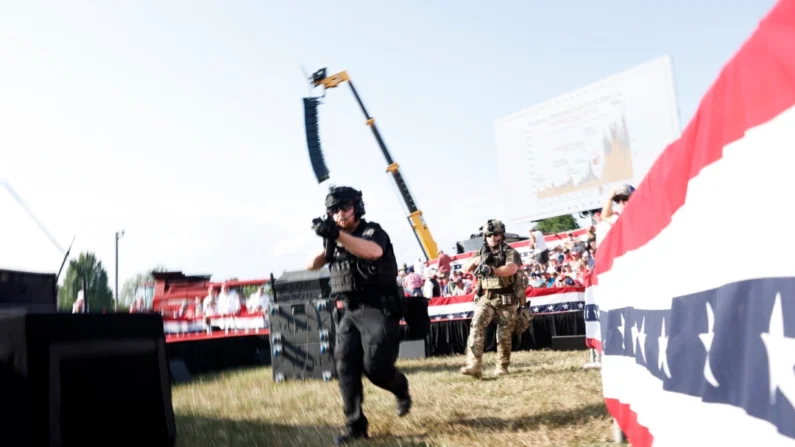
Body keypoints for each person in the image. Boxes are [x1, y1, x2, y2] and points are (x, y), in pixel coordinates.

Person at [307, 185, 411, 445]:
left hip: (378, 309)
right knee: (344, 364)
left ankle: (400, 388)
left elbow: (373, 252)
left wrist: (338, 235)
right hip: (351, 311)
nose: (340, 214)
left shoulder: (373, 231)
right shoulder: (336, 237)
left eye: (344, 208)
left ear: (357, 207)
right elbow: (311, 265)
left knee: (375, 368)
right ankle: (355, 425)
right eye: (334, 211)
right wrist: (328, 237)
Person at [460, 219, 523, 378]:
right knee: (476, 325)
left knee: (504, 335)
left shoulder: (510, 252)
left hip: (507, 298)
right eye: (491, 235)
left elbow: (511, 269)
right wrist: (477, 261)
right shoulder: (481, 253)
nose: (495, 237)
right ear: (485, 237)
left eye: (498, 234)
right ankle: (474, 365)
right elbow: (465, 268)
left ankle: (502, 367)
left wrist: (492, 270)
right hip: (487, 298)